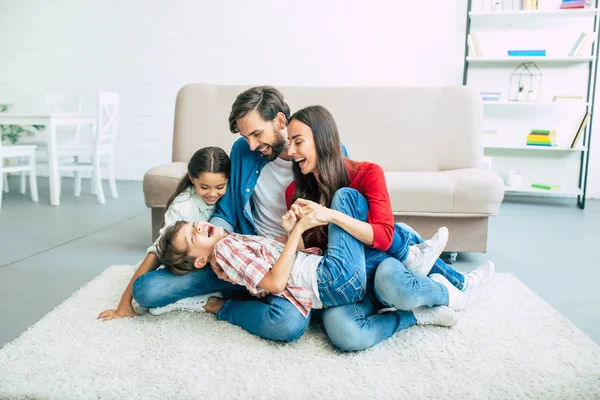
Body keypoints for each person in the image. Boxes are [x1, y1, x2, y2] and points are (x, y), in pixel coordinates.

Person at [285, 105, 495, 351]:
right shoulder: (294, 192)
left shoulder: (367, 173)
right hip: (348, 284)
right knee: (346, 336)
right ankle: (415, 315)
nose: (290, 151)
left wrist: (331, 215)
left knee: (347, 202)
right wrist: (294, 232)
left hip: (379, 264)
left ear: (323, 141)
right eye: (289, 142)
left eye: (298, 142)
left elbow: (385, 236)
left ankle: (446, 291)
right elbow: (311, 255)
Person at [156, 197, 457, 331]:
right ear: (200, 260)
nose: (198, 228)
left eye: (194, 224)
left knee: (379, 257)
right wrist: (299, 230)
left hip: (322, 277)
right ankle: (411, 251)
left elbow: (292, 262)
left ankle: (413, 261)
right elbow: (275, 283)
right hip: (326, 279)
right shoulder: (224, 249)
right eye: (192, 237)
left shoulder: (232, 242)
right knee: (346, 199)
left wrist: (290, 235)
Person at [97, 147, 235, 321]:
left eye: (220, 187)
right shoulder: (182, 207)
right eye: (204, 187)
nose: (213, 193)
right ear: (192, 178)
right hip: (195, 268)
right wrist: (124, 303)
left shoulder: (231, 195)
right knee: (147, 290)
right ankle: (194, 300)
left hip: (227, 265)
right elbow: (158, 251)